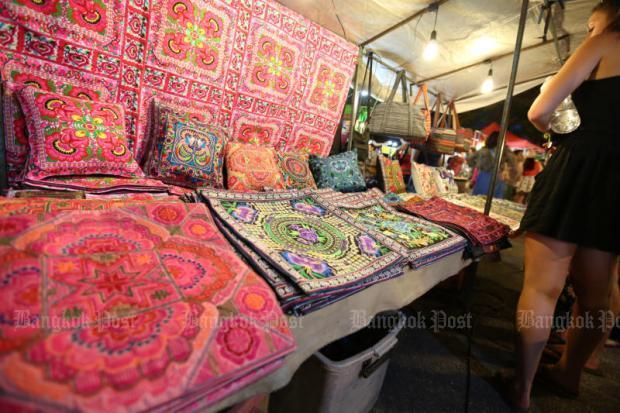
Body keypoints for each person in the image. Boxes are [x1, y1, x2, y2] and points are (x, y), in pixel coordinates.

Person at [503, 2, 620, 410]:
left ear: (609, 16)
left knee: (543, 286)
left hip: (577, 165)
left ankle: (522, 388)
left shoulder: (605, 41)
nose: (589, 30)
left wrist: (557, 131)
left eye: (591, 24)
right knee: (597, 298)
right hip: (615, 185)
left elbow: (540, 110)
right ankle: (570, 373)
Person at [468, 131, 507, 198]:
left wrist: (476, 166)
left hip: (491, 178)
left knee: (486, 199)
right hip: (488, 177)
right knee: (483, 198)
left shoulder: (501, 152)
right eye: (503, 140)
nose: (504, 142)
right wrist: (477, 166)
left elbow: (470, 159)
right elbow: (470, 159)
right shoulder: (487, 151)